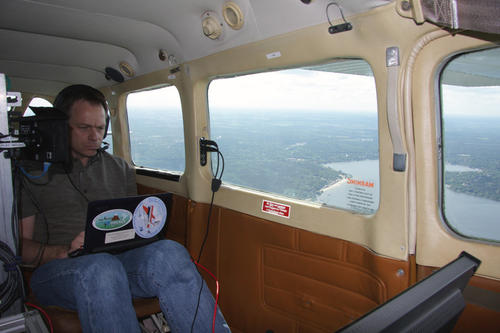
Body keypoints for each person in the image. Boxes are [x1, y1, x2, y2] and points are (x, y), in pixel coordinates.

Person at [19, 84, 230, 333]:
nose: (94, 137)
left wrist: (145, 233)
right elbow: (20, 250)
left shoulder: (119, 168)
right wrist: (64, 250)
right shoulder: (31, 173)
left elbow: (132, 228)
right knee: (101, 268)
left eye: (100, 128)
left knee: (169, 253)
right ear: (61, 127)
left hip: (118, 264)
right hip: (58, 273)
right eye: (84, 128)